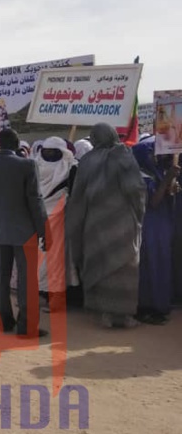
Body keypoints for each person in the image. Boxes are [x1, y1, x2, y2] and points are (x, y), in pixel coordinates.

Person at [67, 124, 145, 329]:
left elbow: (78, 196)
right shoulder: (123, 155)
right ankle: (124, 316)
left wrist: (77, 225)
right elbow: (136, 189)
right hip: (123, 223)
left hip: (95, 223)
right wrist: (140, 213)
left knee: (99, 264)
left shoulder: (87, 160)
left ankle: (105, 313)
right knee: (125, 268)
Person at [0, 128, 48, 337]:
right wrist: (43, 230)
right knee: (27, 279)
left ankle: (2, 321)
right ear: (17, 145)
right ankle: (27, 326)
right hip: (25, 232)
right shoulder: (27, 165)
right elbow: (35, 200)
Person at [132, 139, 179, 325]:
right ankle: (146, 307)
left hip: (161, 225)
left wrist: (170, 185)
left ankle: (159, 304)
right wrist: (167, 180)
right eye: (152, 153)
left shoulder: (156, 171)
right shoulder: (141, 176)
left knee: (161, 265)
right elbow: (153, 202)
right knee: (150, 267)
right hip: (149, 226)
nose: (156, 156)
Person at [34, 137, 78, 310]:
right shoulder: (35, 166)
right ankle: (42, 294)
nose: (49, 154)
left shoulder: (71, 168)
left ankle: (56, 299)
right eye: (47, 151)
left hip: (60, 221)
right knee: (40, 259)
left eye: (53, 151)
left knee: (56, 259)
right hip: (39, 221)